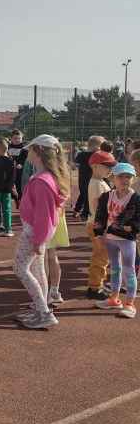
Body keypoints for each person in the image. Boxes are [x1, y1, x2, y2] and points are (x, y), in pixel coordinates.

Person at [10, 135, 69, 329]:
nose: (28, 152)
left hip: (34, 232)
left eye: (31, 149)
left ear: (39, 152)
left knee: (20, 268)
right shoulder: (46, 177)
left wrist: (38, 240)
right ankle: (40, 308)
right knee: (37, 270)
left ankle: (43, 312)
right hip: (37, 232)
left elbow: (44, 215)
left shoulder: (42, 181)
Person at [92, 162, 139, 318]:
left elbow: (137, 219)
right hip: (111, 239)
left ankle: (130, 304)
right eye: (121, 176)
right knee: (114, 269)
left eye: (128, 177)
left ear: (133, 179)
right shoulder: (107, 196)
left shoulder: (136, 198)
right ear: (113, 178)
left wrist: (133, 227)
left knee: (129, 270)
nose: (124, 180)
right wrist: (98, 234)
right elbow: (100, 216)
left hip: (127, 240)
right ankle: (113, 299)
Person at [86, 150, 117, 299]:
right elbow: (99, 206)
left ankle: (98, 284)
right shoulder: (98, 184)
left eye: (111, 166)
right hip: (99, 225)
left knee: (102, 256)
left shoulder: (100, 182)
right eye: (106, 166)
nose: (109, 169)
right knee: (101, 257)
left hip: (98, 224)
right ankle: (94, 287)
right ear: (95, 166)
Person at [74, 136, 103, 220]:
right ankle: (85, 213)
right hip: (90, 179)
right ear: (96, 146)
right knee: (88, 196)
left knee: (83, 194)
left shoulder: (82, 154)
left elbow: (76, 161)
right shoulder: (95, 155)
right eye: (101, 146)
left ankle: (77, 209)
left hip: (83, 179)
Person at [7, 129, 28, 204]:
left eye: (19, 138)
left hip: (19, 172)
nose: (17, 140)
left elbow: (25, 158)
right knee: (10, 186)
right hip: (9, 171)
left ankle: (20, 200)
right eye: (15, 138)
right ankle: (12, 199)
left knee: (19, 186)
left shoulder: (24, 148)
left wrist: (21, 164)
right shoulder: (8, 147)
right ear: (11, 138)